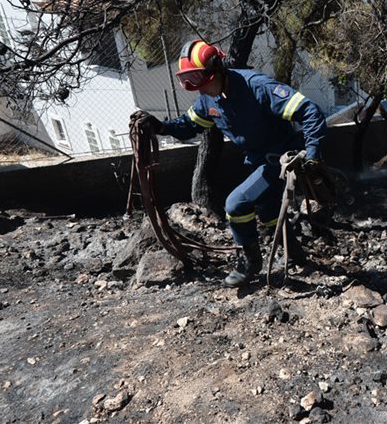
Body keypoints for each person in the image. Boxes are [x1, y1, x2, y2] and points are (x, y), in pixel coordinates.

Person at [138, 39, 327, 287]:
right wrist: (160, 126)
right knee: (269, 211)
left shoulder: (256, 87)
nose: (197, 88)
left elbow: (310, 112)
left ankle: (250, 263)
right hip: (256, 159)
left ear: (216, 69)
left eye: (198, 79)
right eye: (190, 80)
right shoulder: (208, 100)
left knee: (236, 205)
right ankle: (296, 255)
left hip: (279, 158)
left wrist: (312, 154)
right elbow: (189, 125)